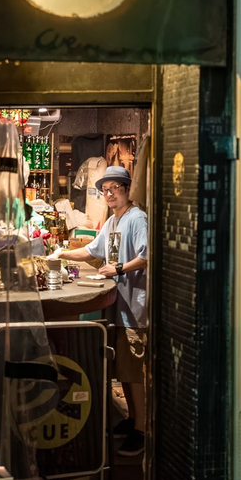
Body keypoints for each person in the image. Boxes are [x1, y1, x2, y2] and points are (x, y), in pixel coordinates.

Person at [50, 166, 148, 456]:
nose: (109, 194)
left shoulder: (137, 218)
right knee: (123, 370)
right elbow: (92, 250)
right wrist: (60, 253)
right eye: (105, 190)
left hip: (135, 307)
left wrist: (118, 268)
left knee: (133, 371)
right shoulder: (113, 221)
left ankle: (142, 430)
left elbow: (147, 256)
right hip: (120, 306)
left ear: (127, 189)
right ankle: (132, 419)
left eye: (114, 188)